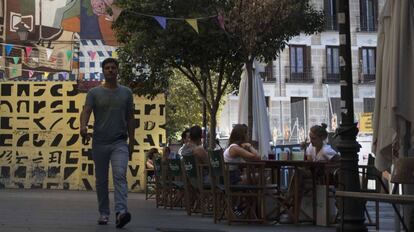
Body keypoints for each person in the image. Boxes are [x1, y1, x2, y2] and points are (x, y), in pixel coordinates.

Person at [80, 58, 134, 228]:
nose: (110, 70)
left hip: (119, 142)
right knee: (101, 180)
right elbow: (86, 111)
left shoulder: (127, 93)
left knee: (119, 175)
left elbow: (131, 118)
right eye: (107, 68)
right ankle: (104, 213)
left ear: (117, 71)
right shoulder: (94, 93)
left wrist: (131, 142)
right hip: (99, 142)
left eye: (113, 68)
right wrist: (83, 126)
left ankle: (121, 212)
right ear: (103, 71)